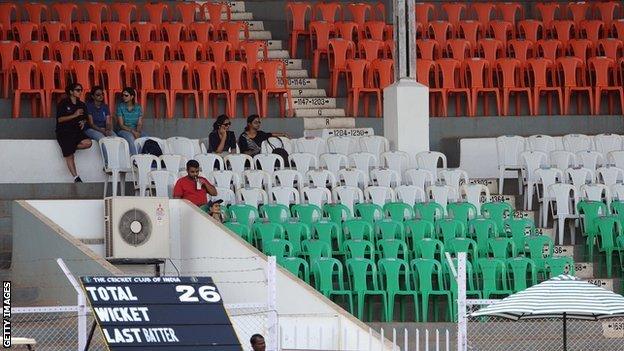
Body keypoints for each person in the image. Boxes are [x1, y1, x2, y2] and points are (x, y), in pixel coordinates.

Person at [56, 83, 92, 183]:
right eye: (77, 90)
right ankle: (76, 177)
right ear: (71, 92)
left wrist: (83, 122)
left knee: (88, 143)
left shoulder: (82, 104)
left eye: (81, 90)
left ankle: (68, 147)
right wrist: (74, 115)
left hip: (76, 131)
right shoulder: (63, 103)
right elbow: (60, 119)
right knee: (70, 155)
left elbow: (85, 118)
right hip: (64, 131)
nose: (80, 92)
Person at [116, 87, 146, 155]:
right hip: (123, 130)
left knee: (146, 138)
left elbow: (139, 123)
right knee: (130, 138)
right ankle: (135, 158)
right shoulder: (120, 107)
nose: (124, 97)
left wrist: (138, 132)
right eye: (123, 95)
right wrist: (133, 132)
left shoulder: (138, 107)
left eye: (126, 95)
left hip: (135, 129)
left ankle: (144, 157)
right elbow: (121, 125)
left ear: (132, 97)